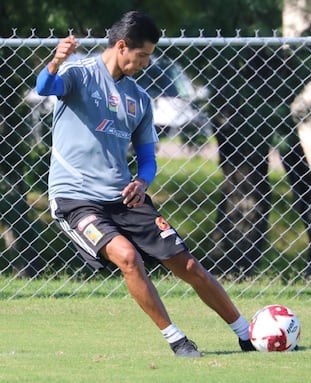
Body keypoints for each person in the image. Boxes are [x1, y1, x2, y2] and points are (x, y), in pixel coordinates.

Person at [36, 10, 255, 357]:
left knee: (188, 265)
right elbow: (45, 87)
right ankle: (177, 340)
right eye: (142, 56)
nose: (146, 63)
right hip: (75, 200)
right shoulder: (79, 75)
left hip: (125, 198)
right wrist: (55, 62)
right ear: (121, 46)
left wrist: (142, 180)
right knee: (127, 256)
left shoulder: (139, 98)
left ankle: (247, 335)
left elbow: (148, 158)